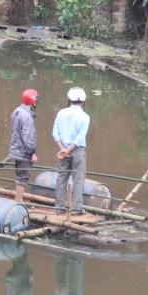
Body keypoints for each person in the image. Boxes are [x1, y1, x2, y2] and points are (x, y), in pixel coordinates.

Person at [52, 87, 90, 217]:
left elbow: (55, 132)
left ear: (69, 99)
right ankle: (75, 209)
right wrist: (69, 149)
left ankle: (59, 208)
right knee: (78, 179)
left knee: (61, 177)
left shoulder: (61, 113)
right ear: (83, 101)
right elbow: (80, 137)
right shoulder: (85, 117)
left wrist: (63, 149)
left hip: (63, 150)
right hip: (77, 150)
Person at [8, 89, 39, 203]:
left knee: (19, 174)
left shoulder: (16, 111)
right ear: (32, 101)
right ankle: (18, 203)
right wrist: (32, 153)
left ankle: (20, 199)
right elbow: (27, 136)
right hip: (24, 152)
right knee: (23, 178)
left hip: (16, 149)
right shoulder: (27, 116)